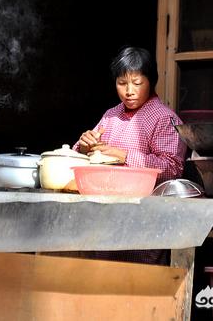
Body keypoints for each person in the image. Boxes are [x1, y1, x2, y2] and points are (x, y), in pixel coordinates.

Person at [73, 46, 187, 265]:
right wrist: (85, 147)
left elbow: (172, 168)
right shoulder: (111, 115)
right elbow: (81, 154)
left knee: (139, 284)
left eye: (137, 83)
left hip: (144, 223)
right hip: (106, 220)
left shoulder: (164, 118)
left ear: (151, 81)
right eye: (122, 83)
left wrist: (123, 155)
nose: (129, 91)